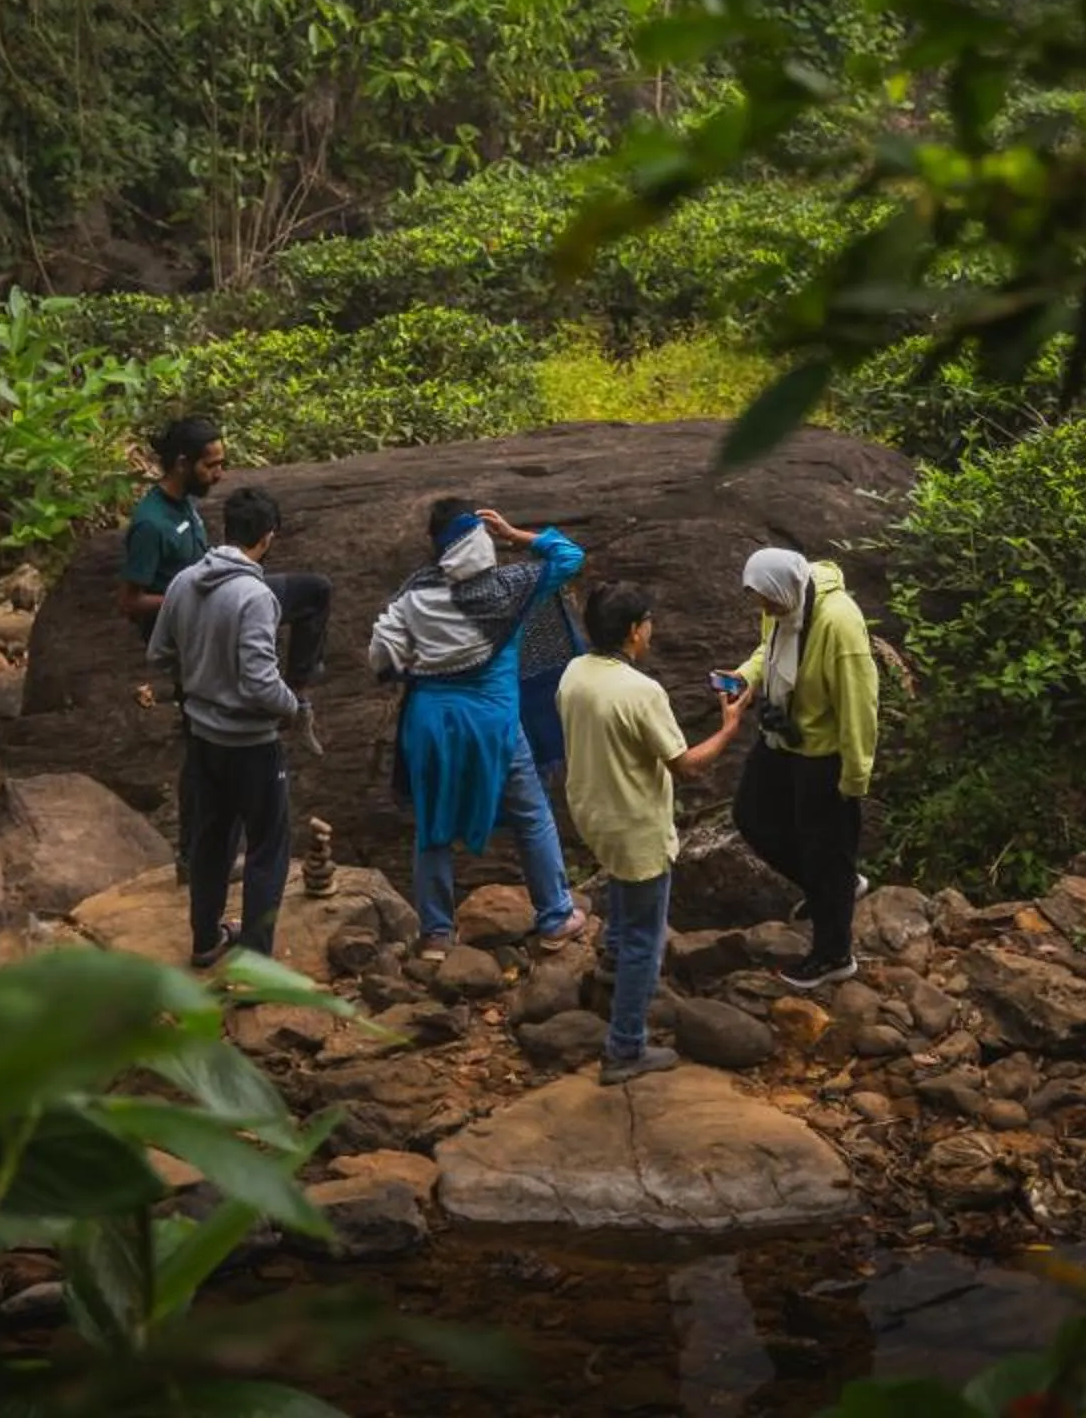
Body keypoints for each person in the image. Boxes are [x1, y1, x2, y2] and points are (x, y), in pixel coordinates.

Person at [369, 497, 592, 959]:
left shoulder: (413, 594)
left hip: (429, 723)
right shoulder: (512, 585)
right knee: (531, 815)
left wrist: (418, 660)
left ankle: (435, 933)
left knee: (433, 824)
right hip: (495, 723)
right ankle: (554, 917)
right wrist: (518, 535)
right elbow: (570, 556)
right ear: (480, 537)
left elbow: (381, 657)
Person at [122, 416, 330, 892]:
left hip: (222, 602)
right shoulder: (151, 523)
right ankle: (194, 857)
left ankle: (296, 695)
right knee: (203, 751)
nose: (220, 474)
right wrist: (187, 593)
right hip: (193, 635)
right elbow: (129, 601)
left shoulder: (187, 505)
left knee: (313, 591)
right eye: (212, 465)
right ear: (182, 463)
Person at [559, 582, 748, 1085]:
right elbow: (686, 766)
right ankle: (625, 1048)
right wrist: (729, 727)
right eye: (647, 622)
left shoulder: (576, 671)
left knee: (622, 896)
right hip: (635, 826)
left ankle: (610, 966)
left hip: (592, 813)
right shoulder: (641, 692)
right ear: (633, 632)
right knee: (647, 938)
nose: (651, 629)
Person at [146, 486, 305, 968]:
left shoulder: (184, 582)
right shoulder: (254, 595)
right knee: (267, 847)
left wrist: (200, 672)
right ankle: (256, 959)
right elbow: (260, 682)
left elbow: (158, 653)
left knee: (211, 842)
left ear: (227, 530)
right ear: (268, 537)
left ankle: (205, 942)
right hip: (251, 744)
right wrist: (293, 706)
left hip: (202, 739)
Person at [729, 547, 880, 990]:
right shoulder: (784, 600)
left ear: (787, 589)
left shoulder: (840, 622)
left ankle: (833, 955)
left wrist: (854, 777)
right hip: (781, 737)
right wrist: (745, 676)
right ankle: (834, 885)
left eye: (768, 601)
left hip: (823, 753)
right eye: (760, 601)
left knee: (826, 847)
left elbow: (860, 703)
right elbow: (771, 647)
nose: (766, 610)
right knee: (751, 816)